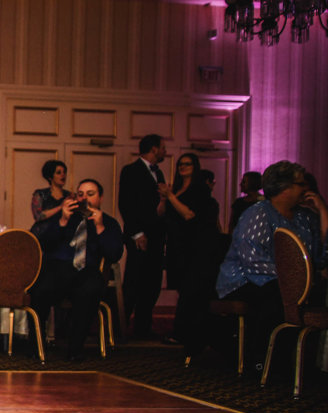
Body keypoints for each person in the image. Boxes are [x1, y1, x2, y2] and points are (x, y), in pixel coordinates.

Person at [216, 160, 328, 370]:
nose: (306, 189)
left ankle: (305, 361)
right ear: (284, 188)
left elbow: (319, 259)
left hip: (291, 282)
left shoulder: (304, 218)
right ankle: (262, 360)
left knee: (312, 294)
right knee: (276, 297)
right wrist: (294, 282)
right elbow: (253, 260)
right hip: (245, 279)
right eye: (300, 184)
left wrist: (322, 212)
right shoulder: (258, 213)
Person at [30, 178, 124, 361]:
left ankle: (75, 350)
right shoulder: (65, 217)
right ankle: (36, 347)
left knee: (89, 290)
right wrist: (63, 221)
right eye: (80, 194)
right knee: (40, 288)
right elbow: (44, 244)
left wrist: (99, 227)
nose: (85, 198)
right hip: (59, 268)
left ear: (100, 197)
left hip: (87, 270)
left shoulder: (109, 223)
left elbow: (114, 254)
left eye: (91, 194)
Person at [161, 153, 220, 352]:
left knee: (191, 289)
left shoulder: (199, 190)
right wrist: (165, 198)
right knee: (182, 288)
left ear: (195, 167)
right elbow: (161, 213)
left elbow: (188, 214)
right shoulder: (176, 189)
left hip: (194, 245)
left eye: (187, 164)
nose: (183, 167)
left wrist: (170, 197)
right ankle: (185, 332)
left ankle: (185, 332)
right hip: (176, 244)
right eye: (180, 164)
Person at [118, 134, 167, 339]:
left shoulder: (159, 173)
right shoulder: (131, 170)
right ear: (154, 149)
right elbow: (126, 204)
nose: (165, 151)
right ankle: (120, 327)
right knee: (134, 281)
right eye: (163, 147)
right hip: (138, 235)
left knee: (152, 282)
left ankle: (143, 327)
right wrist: (137, 233)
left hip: (157, 236)